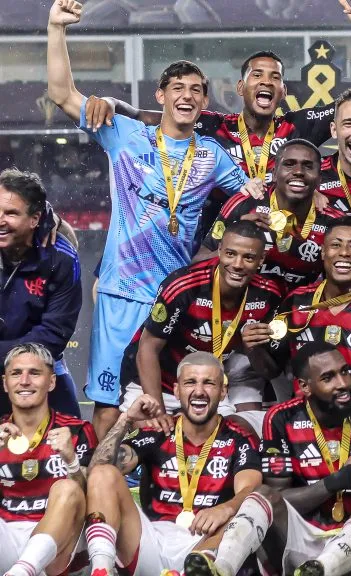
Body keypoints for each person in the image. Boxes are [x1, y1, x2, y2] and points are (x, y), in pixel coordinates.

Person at [46, 0, 262, 439]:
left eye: (196, 89)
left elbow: (251, 203)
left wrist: (212, 247)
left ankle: (167, 491)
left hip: (176, 297)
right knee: (108, 407)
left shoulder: (212, 154)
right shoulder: (123, 133)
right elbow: (62, 94)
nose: (187, 95)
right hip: (122, 293)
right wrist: (56, 29)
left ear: (204, 101)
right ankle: (100, 497)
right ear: (161, 95)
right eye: (178, 87)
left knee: (172, 404)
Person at [82, 0, 351, 183]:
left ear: (283, 91)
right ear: (240, 88)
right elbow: (141, 115)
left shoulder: (299, 127)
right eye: (257, 75)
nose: (265, 81)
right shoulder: (212, 127)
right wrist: (109, 102)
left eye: (274, 77)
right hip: (225, 250)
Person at [184, 343, 351, 576]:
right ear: (305, 386)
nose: (343, 383)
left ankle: (321, 571)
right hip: (299, 536)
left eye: (344, 372)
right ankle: (221, 568)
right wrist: (336, 481)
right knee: (261, 495)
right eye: (328, 378)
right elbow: (281, 498)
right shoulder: (281, 418)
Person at [83, 352, 261, 576]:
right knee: (103, 474)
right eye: (190, 382)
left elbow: (250, 490)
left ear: (223, 392)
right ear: (176, 391)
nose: (199, 391)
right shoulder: (159, 432)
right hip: (152, 540)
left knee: (250, 507)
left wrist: (225, 508)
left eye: (209, 383)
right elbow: (95, 471)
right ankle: (101, 569)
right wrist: (125, 419)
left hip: (203, 545)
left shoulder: (239, 439)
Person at [119, 220, 283, 428]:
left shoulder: (269, 296)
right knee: (149, 432)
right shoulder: (183, 286)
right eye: (230, 254)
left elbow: (269, 370)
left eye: (249, 257)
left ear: (261, 260)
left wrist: (254, 350)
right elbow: (148, 348)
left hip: (210, 386)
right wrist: (157, 410)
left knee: (230, 437)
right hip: (162, 382)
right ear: (220, 251)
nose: (238, 265)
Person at [250, 217, 351, 401]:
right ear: (323, 252)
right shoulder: (295, 302)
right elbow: (272, 370)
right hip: (304, 419)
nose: (344, 253)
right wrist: (253, 348)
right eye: (335, 245)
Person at [0, 344, 96, 576]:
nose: (24, 381)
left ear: (51, 382)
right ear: (5, 383)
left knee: (67, 488)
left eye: (34, 373)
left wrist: (71, 460)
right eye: (16, 373)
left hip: (59, 541)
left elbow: (90, 498)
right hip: (6, 534)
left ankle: (23, 570)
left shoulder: (77, 430)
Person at [197, 139, 344, 288]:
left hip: (297, 308)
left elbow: (340, 285)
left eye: (307, 166)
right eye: (289, 164)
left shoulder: (334, 223)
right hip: (244, 305)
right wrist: (239, 238)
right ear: (274, 174)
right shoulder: (244, 204)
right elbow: (197, 262)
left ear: (319, 179)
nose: (298, 171)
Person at [0, 169, 82, 417]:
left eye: (11, 214)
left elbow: (54, 334)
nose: (0, 219)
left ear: (35, 219)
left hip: (39, 359)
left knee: (74, 433)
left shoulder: (61, 259)